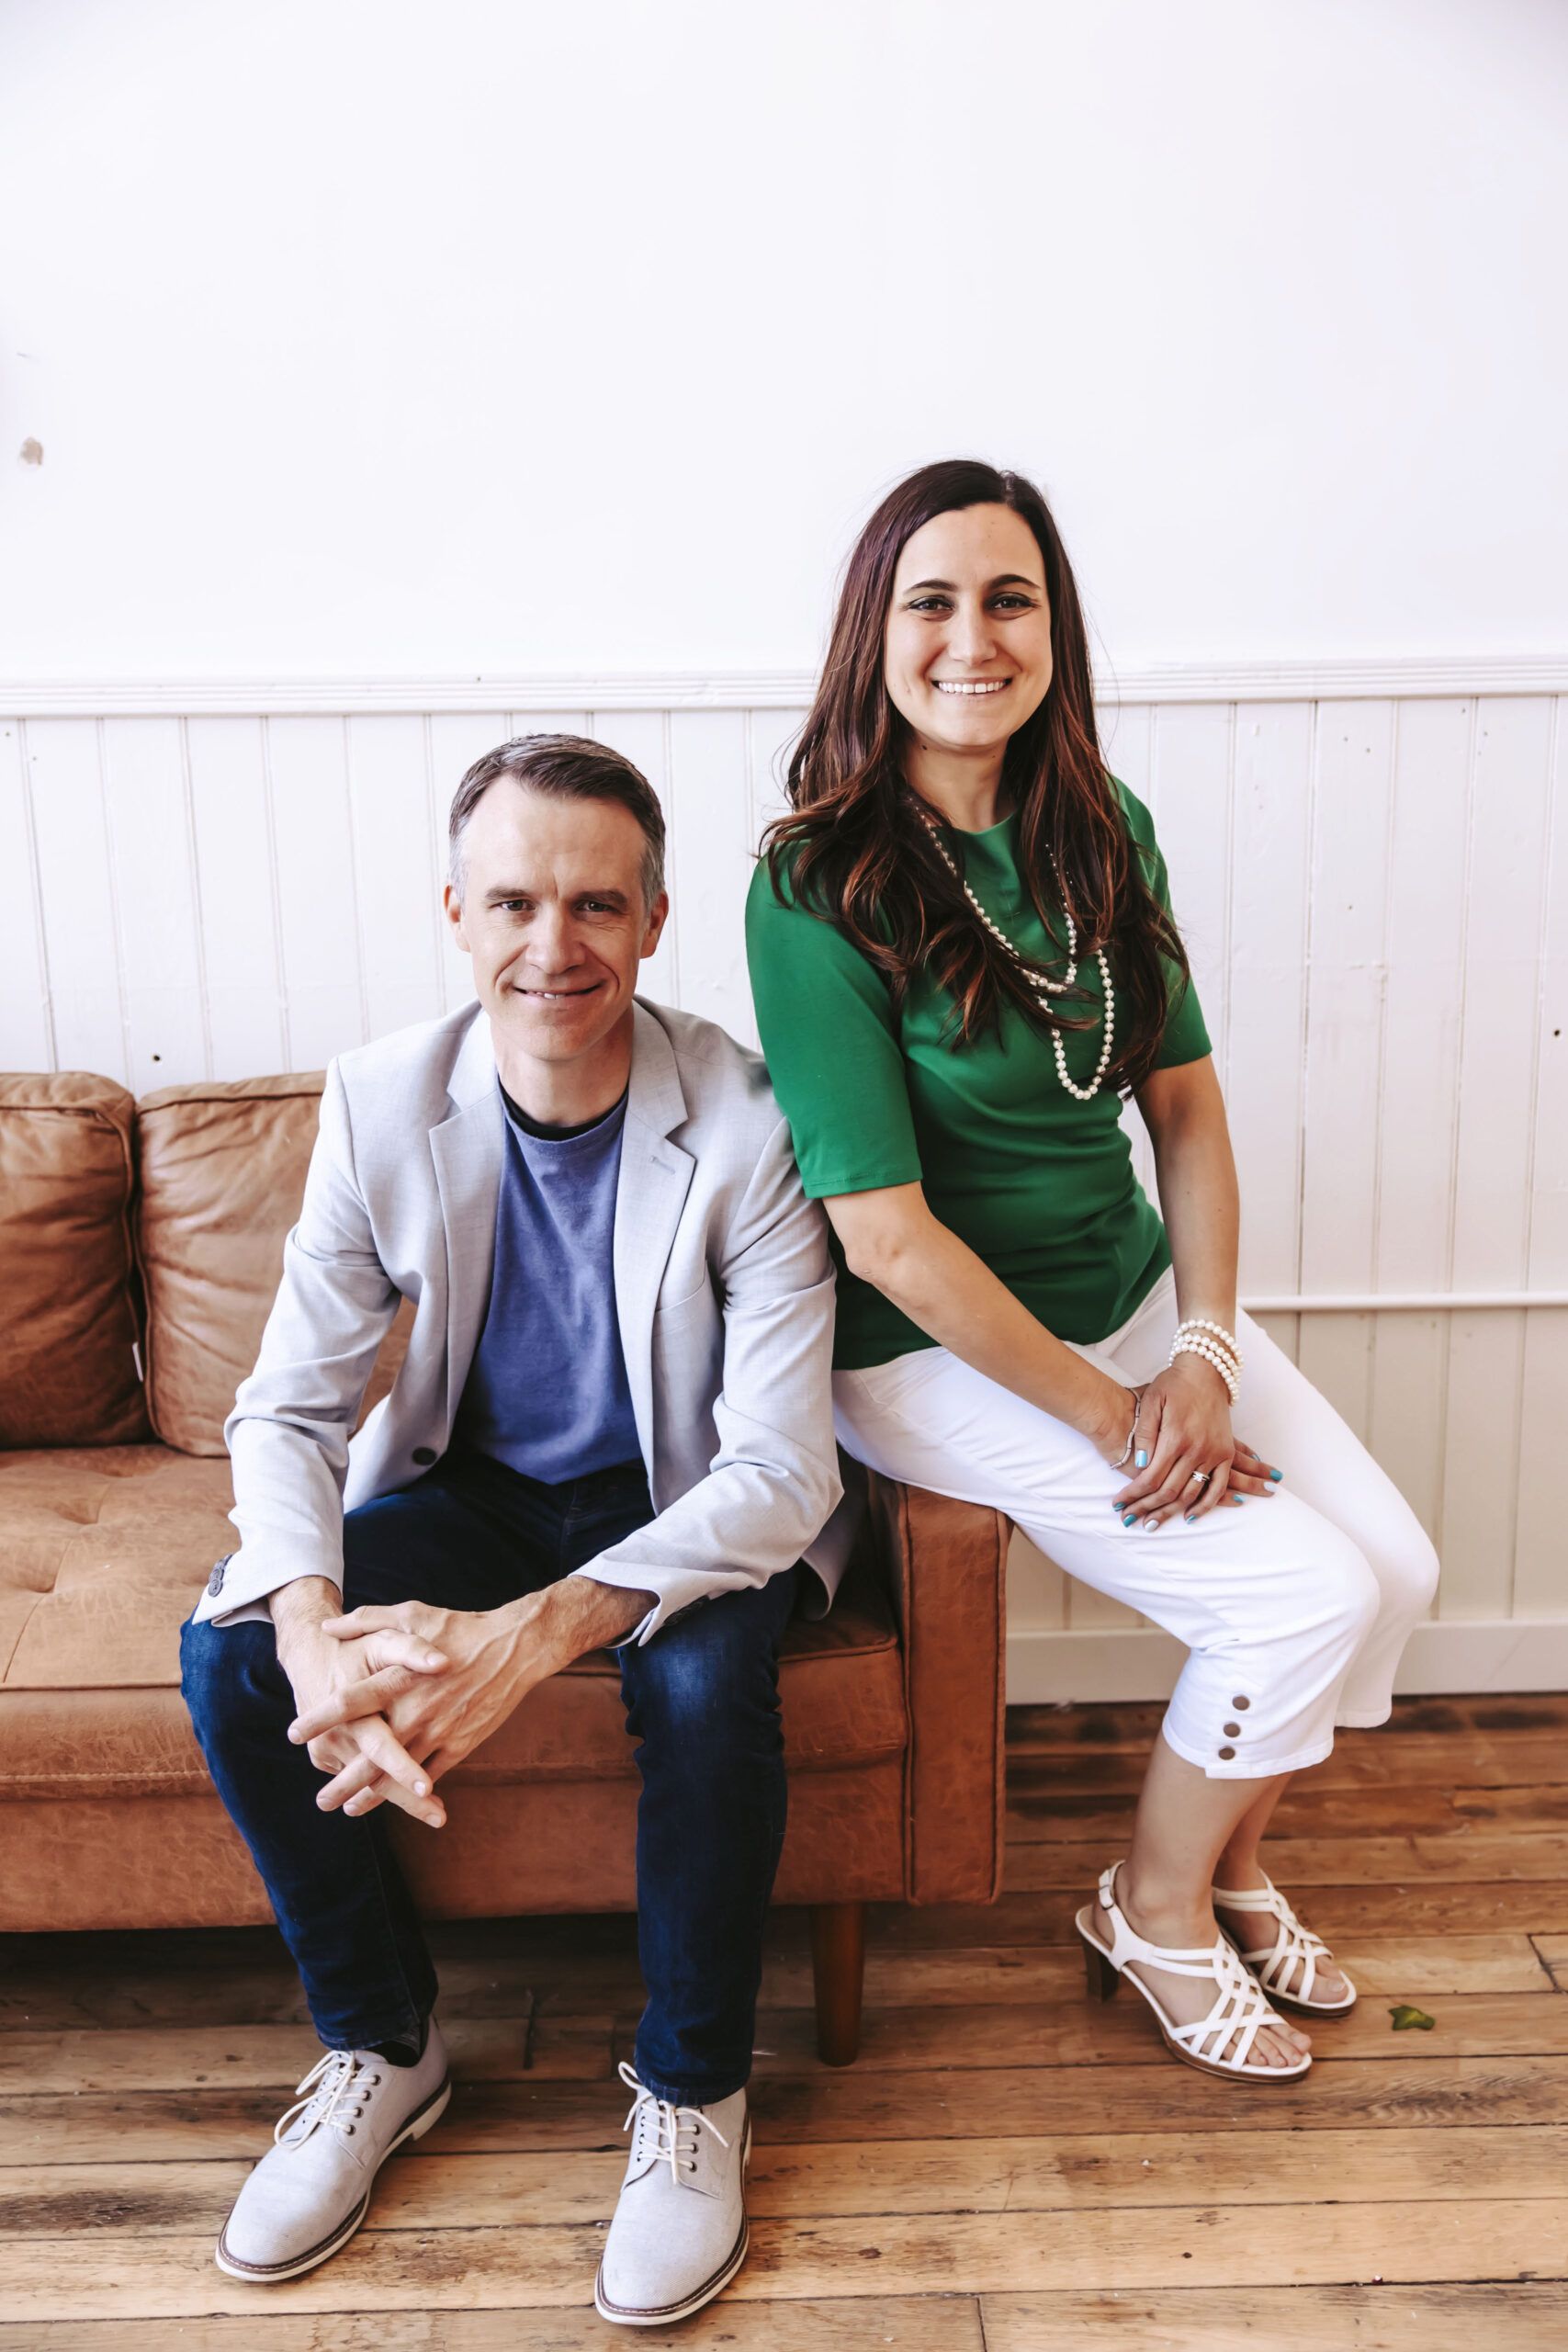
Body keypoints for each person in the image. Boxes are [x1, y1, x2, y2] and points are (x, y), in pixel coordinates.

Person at [745, 458, 1440, 2085]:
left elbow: (1185, 1108)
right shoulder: (817, 881)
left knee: (1392, 1574)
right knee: (1302, 1598)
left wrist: (1200, 1348)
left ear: (1054, 628)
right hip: (926, 1358)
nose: (973, 637)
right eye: (933, 600)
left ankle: (1229, 1855)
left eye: (1011, 598)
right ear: (876, 633)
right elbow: (888, 1238)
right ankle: (1153, 1908)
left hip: (1139, 1310)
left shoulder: (1102, 828)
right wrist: (1126, 1414)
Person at [181, 734, 847, 2324]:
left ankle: (693, 2093)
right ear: (457, 915)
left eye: (597, 905)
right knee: (233, 1661)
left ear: (657, 917)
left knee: (693, 1686)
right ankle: (382, 2048)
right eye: (516, 903)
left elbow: (781, 1470)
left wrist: (541, 1628)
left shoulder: (753, 1126)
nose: (556, 947)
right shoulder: (379, 1101)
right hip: (480, 1487)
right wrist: (306, 1627)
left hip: (683, 1503)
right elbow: (286, 1411)